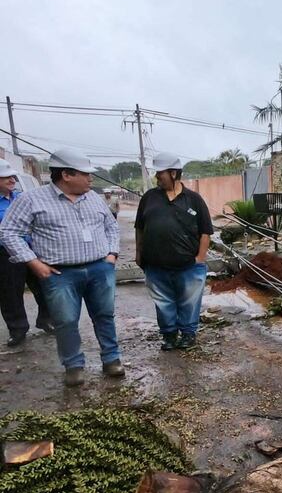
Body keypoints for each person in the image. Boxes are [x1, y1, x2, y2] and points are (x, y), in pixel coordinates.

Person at [0, 148, 123, 387]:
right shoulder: (32, 199)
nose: (90, 179)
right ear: (66, 174)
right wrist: (33, 262)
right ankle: (74, 366)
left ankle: (111, 359)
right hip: (60, 274)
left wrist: (112, 254)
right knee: (65, 321)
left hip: (99, 268)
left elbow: (112, 227)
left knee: (105, 316)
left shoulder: (94, 198)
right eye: (85, 174)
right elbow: (9, 232)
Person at [135, 152, 213, 351]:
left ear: (173, 173)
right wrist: (139, 253)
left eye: (160, 173)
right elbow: (139, 228)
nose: (157, 177)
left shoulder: (194, 199)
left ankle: (188, 334)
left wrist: (200, 259)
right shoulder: (149, 198)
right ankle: (169, 335)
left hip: (188, 265)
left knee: (190, 302)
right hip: (156, 265)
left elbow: (206, 232)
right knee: (163, 302)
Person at [0, 160, 54, 347]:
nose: (12, 180)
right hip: (6, 254)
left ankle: (46, 319)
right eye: (6, 177)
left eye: (12, 176)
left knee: (45, 285)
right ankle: (18, 329)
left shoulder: (21, 198)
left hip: (32, 250)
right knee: (10, 294)